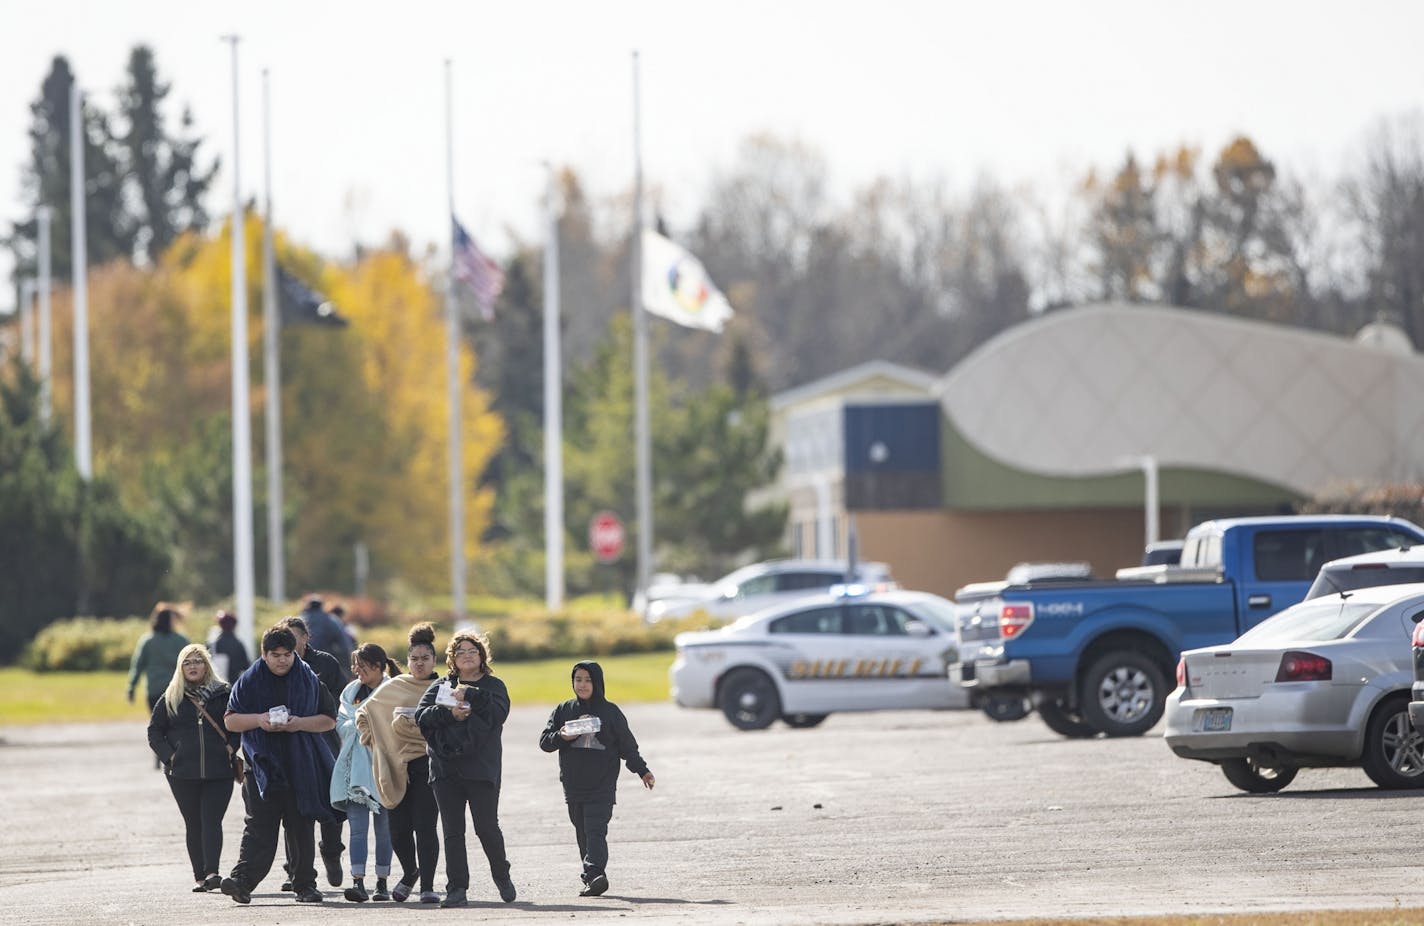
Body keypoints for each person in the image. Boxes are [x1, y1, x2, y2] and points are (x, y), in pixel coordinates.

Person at [220, 625, 339, 905]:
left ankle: (305, 886)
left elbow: (328, 719)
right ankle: (242, 882)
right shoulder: (248, 681)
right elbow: (231, 720)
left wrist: (299, 724)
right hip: (261, 766)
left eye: (287, 654)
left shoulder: (309, 679)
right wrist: (259, 720)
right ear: (264, 654)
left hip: (301, 765)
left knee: (300, 827)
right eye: (275, 655)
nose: (282, 660)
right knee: (259, 826)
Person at [415, 630, 516, 907]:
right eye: (460, 652)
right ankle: (457, 888)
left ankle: (501, 874)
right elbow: (421, 717)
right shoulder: (441, 686)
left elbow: (499, 713)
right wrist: (450, 713)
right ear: (453, 659)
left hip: (481, 768)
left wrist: (471, 694)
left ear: (482, 656)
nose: (467, 656)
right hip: (445, 769)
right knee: (452, 831)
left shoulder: (494, 686)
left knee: (486, 828)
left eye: (472, 651)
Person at [539, 660, 655, 898]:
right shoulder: (564, 710)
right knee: (581, 829)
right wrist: (562, 736)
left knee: (595, 829)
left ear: (598, 683)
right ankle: (593, 876)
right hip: (573, 784)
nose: (582, 685)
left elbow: (627, 747)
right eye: (578, 679)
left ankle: (595, 873)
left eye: (588, 680)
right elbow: (545, 742)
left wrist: (642, 770)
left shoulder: (610, 712)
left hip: (602, 784)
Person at [357, 623, 443, 903]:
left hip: (428, 765)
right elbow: (365, 713)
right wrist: (376, 740)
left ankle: (427, 886)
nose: (419, 664)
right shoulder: (395, 686)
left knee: (425, 826)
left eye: (425, 659)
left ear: (434, 660)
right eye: (414, 659)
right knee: (398, 829)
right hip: (395, 767)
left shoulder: (442, 689)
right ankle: (410, 872)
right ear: (407, 662)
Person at [147, 643, 237, 893]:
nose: (193, 666)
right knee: (193, 823)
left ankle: (212, 873)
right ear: (180, 668)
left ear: (207, 666)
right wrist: (171, 757)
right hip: (182, 773)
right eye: (187, 662)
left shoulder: (224, 693)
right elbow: (154, 731)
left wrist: (231, 747)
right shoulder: (171, 697)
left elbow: (238, 724)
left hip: (219, 771)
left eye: (198, 661)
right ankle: (199, 876)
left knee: (211, 821)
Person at [278, 615, 348, 890]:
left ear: (306, 638)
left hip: (324, 741)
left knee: (330, 800)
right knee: (293, 809)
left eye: (295, 638)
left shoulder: (325, 663)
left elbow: (344, 698)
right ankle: (293, 868)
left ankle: (331, 851)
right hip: (291, 744)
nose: (290, 645)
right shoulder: (277, 667)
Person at [331, 643, 400, 902]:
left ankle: (382, 882)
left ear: (379, 666)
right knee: (357, 830)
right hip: (355, 772)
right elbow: (341, 724)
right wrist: (360, 725)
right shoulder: (351, 691)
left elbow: (394, 725)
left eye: (362, 665)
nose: (356, 670)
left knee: (384, 830)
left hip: (383, 769)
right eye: (355, 665)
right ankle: (358, 881)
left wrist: (363, 725)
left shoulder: (392, 690)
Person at [127, 604, 190, 713]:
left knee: (158, 726)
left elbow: (137, 666)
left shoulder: (147, 641)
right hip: (177, 691)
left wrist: (131, 687)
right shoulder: (181, 640)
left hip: (154, 691)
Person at [299, 596, 354, 681]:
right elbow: (344, 645)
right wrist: (348, 669)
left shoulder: (300, 620)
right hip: (324, 663)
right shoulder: (331, 620)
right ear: (321, 607)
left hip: (302, 662)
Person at [207, 610, 252, 682]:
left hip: (216, 685)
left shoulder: (213, 643)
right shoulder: (238, 644)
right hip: (234, 685)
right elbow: (246, 666)